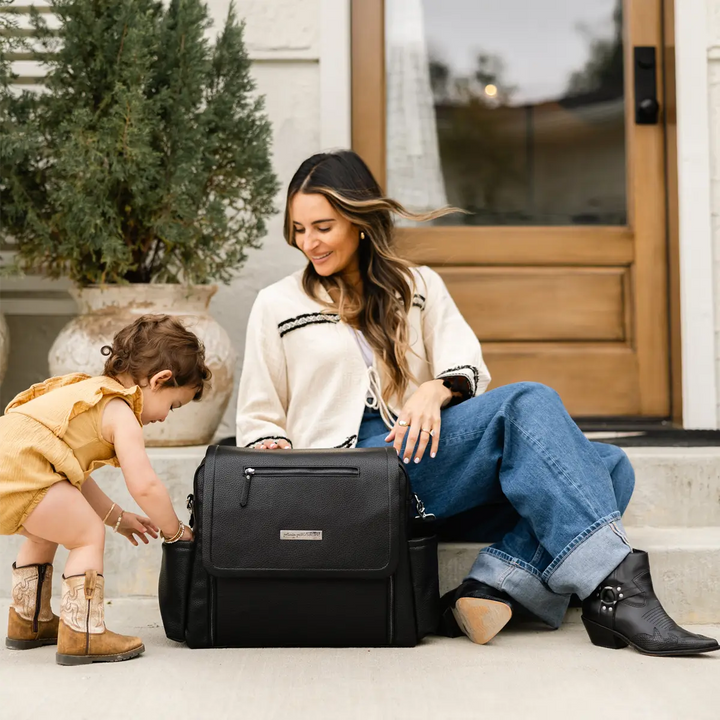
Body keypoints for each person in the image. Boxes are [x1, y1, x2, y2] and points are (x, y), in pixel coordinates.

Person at [235, 149, 718, 657]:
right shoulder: (278, 302)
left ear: (359, 221)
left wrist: (433, 389)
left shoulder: (417, 286)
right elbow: (259, 416)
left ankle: (486, 591)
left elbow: (466, 366)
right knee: (529, 405)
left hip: (426, 467)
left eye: (323, 227)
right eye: (298, 229)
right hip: (351, 480)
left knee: (609, 464)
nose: (308, 243)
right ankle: (615, 592)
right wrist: (285, 493)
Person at [1, 315, 208, 665]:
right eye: (173, 405)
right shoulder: (120, 412)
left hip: (14, 463)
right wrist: (175, 532)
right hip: (25, 467)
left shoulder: (87, 392)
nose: (166, 417)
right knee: (85, 534)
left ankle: (28, 620)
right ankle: (83, 633)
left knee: (47, 530)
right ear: (160, 380)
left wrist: (117, 517)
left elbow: (73, 477)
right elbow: (144, 485)